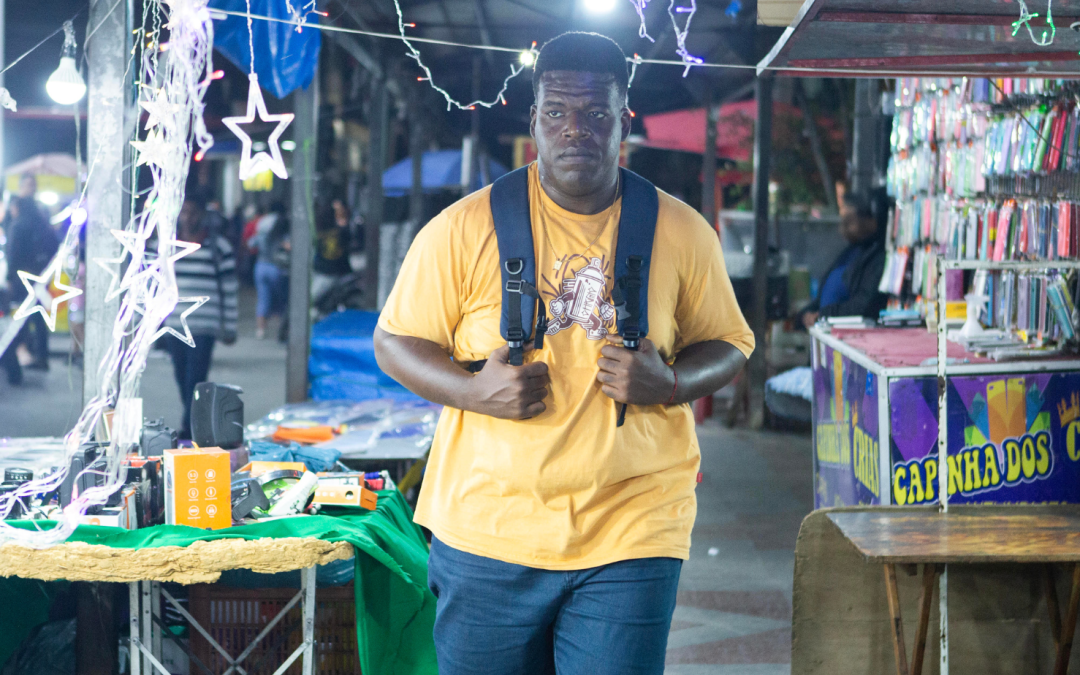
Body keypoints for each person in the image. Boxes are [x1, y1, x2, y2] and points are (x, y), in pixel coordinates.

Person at [373, 32, 754, 675]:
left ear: (624, 121)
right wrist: (471, 391)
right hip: (487, 525)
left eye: (596, 113)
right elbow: (393, 341)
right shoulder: (462, 228)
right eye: (557, 112)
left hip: (634, 524)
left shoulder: (683, 231)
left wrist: (669, 384)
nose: (576, 129)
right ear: (534, 121)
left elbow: (731, 342)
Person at [163, 195, 238, 439]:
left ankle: (190, 428)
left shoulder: (219, 248)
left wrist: (230, 326)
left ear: (202, 215)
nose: (188, 218)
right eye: (183, 212)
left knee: (195, 378)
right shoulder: (167, 247)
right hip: (174, 324)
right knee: (180, 376)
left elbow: (229, 289)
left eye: (192, 212)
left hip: (204, 326)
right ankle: (194, 424)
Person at [799, 186, 889, 328]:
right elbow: (822, 298)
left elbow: (863, 305)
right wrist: (805, 315)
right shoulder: (850, 252)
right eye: (843, 221)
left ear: (872, 220)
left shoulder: (878, 257)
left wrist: (824, 314)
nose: (843, 227)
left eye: (849, 221)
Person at [5, 195, 59, 372]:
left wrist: (10, 278)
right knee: (38, 316)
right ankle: (41, 356)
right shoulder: (42, 225)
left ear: (18, 207)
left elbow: (13, 254)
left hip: (22, 278)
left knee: (21, 317)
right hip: (40, 277)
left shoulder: (18, 225)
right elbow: (54, 247)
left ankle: (22, 355)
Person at [249, 202, 289, 340]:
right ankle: (281, 329)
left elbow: (252, 243)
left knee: (263, 298)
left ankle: (261, 329)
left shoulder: (262, 222)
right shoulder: (282, 221)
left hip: (261, 265)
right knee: (281, 300)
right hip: (277, 266)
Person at [311, 197, 352, 302]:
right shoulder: (327, 232)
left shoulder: (340, 231)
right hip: (323, 272)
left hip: (330, 274)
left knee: (312, 299)